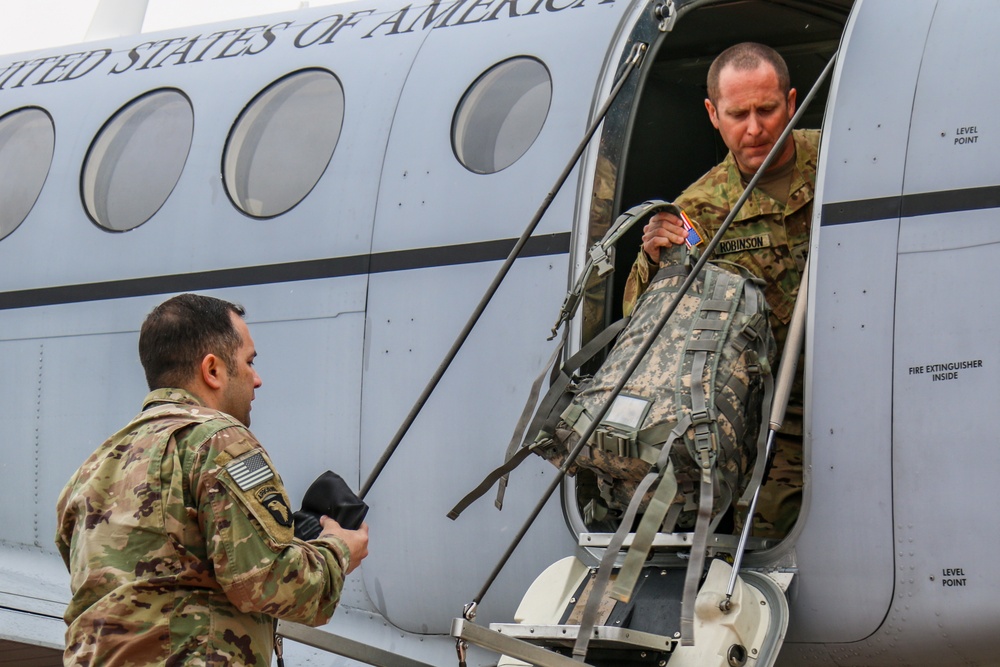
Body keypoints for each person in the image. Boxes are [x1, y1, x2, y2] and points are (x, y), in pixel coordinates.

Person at [55, 293, 369, 666]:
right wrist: (338, 548)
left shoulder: (91, 469)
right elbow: (268, 581)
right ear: (213, 370)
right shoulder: (221, 441)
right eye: (249, 362)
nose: (257, 379)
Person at [621, 42, 819, 538]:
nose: (754, 129)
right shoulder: (700, 212)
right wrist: (653, 260)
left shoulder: (849, 158)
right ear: (713, 114)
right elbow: (647, 323)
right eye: (738, 114)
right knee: (773, 533)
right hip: (781, 414)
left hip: (876, 389)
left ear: (791, 103)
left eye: (767, 110)